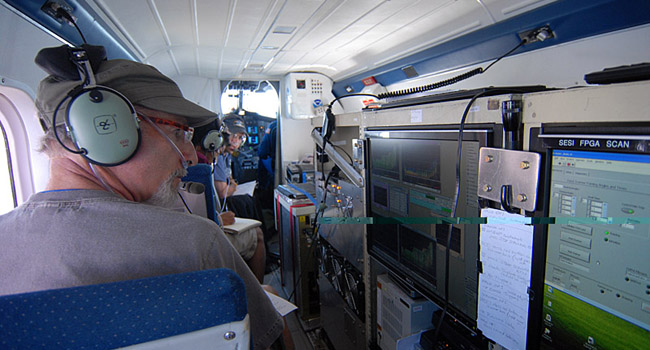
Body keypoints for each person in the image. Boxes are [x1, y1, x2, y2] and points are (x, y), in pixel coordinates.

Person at [0, 47, 283, 349]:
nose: (189, 155)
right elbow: (273, 341)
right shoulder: (197, 243)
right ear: (107, 130)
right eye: (179, 134)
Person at [190, 120, 266, 282]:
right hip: (204, 235)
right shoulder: (201, 167)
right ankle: (259, 291)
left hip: (204, 228)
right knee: (257, 233)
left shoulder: (204, 163)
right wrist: (218, 219)